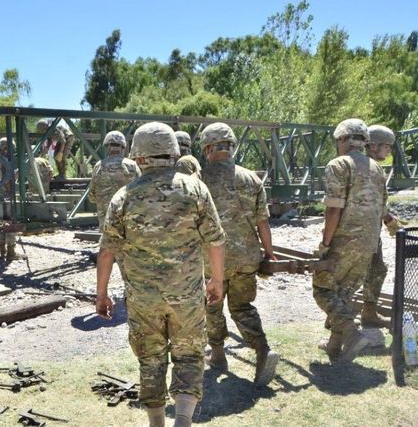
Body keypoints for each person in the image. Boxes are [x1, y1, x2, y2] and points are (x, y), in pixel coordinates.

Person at [95, 122, 226, 427]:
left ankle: (157, 424)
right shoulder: (195, 189)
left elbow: (106, 252)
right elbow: (216, 241)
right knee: (190, 355)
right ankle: (182, 421)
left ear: (138, 156)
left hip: (144, 301)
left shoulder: (123, 197)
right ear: (173, 152)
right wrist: (216, 281)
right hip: (187, 298)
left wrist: (101, 294)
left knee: (150, 360)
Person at [198, 122, 280, 386]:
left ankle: (219, 354)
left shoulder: (199, 179)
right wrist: (269, 254)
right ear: (232, 146)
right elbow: (263, 222)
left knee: (212, 305)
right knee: (242, 307)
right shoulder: (251, 178)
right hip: (247, 257)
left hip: (212, 259)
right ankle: (263, 351)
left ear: (208, 147)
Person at [313, 118, 387, 364]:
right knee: (344, 294)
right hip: (368, 242)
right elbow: (381, 207)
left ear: (343, 139)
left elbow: (333, 209)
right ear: (364, 141)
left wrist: (325, 243)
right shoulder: (377, 169)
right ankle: (335, 346)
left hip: (343, 240)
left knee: (323, 290)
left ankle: (353, 334)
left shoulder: (338, 165)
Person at [360, 125, 406, 328]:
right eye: (386, 146)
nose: (389, 151)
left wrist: (388, 218)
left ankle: (365, 313)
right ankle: (340, 319)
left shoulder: (369, 166)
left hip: (369, 229)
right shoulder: (368, 167)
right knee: (356, 273)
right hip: (361, 230)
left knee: (374, 269)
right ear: (372, 146)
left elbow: (375, 200)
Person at [87, 130, 141, 232]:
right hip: (127, 215)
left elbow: (92, 196)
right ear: (123, 147)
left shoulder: (99, 166)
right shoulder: (132, 165)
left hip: (105, 217)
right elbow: (142, 191)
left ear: (107, 147)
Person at [0, 138, 23, 261]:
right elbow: (7, 181)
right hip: (6, 196)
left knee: (0, 224)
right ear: (6, 148)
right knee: (10, 223)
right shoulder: (5, 162)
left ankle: (2, 251)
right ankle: (11, 252)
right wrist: (12, 192)